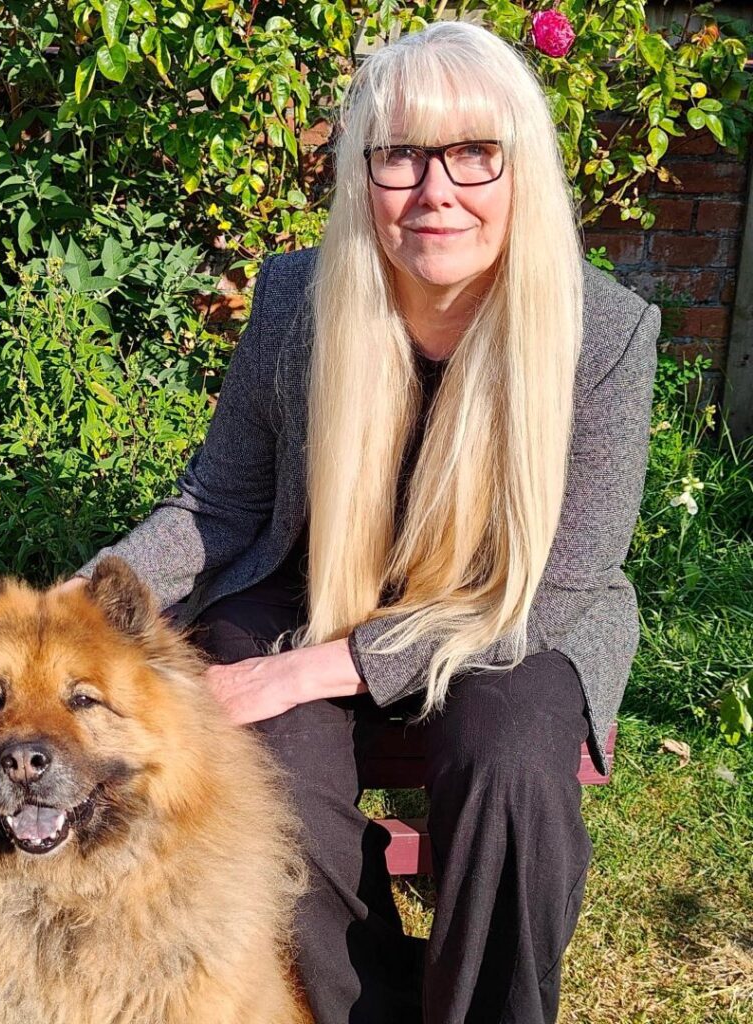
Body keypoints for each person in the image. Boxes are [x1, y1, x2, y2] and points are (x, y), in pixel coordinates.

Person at [67, 19, 660, 1024]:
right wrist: (81, 606)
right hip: (316, 578)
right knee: (271, 761)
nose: (437, 191)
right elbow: (221, 502)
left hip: (507, 615)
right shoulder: (299, 297)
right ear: (360, 172)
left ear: (523, 168)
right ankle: (365, 1007)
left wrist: (310, 667)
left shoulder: (603, 333)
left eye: (476, 153)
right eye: (401, 155)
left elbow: (558, 582)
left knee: (511, 761)